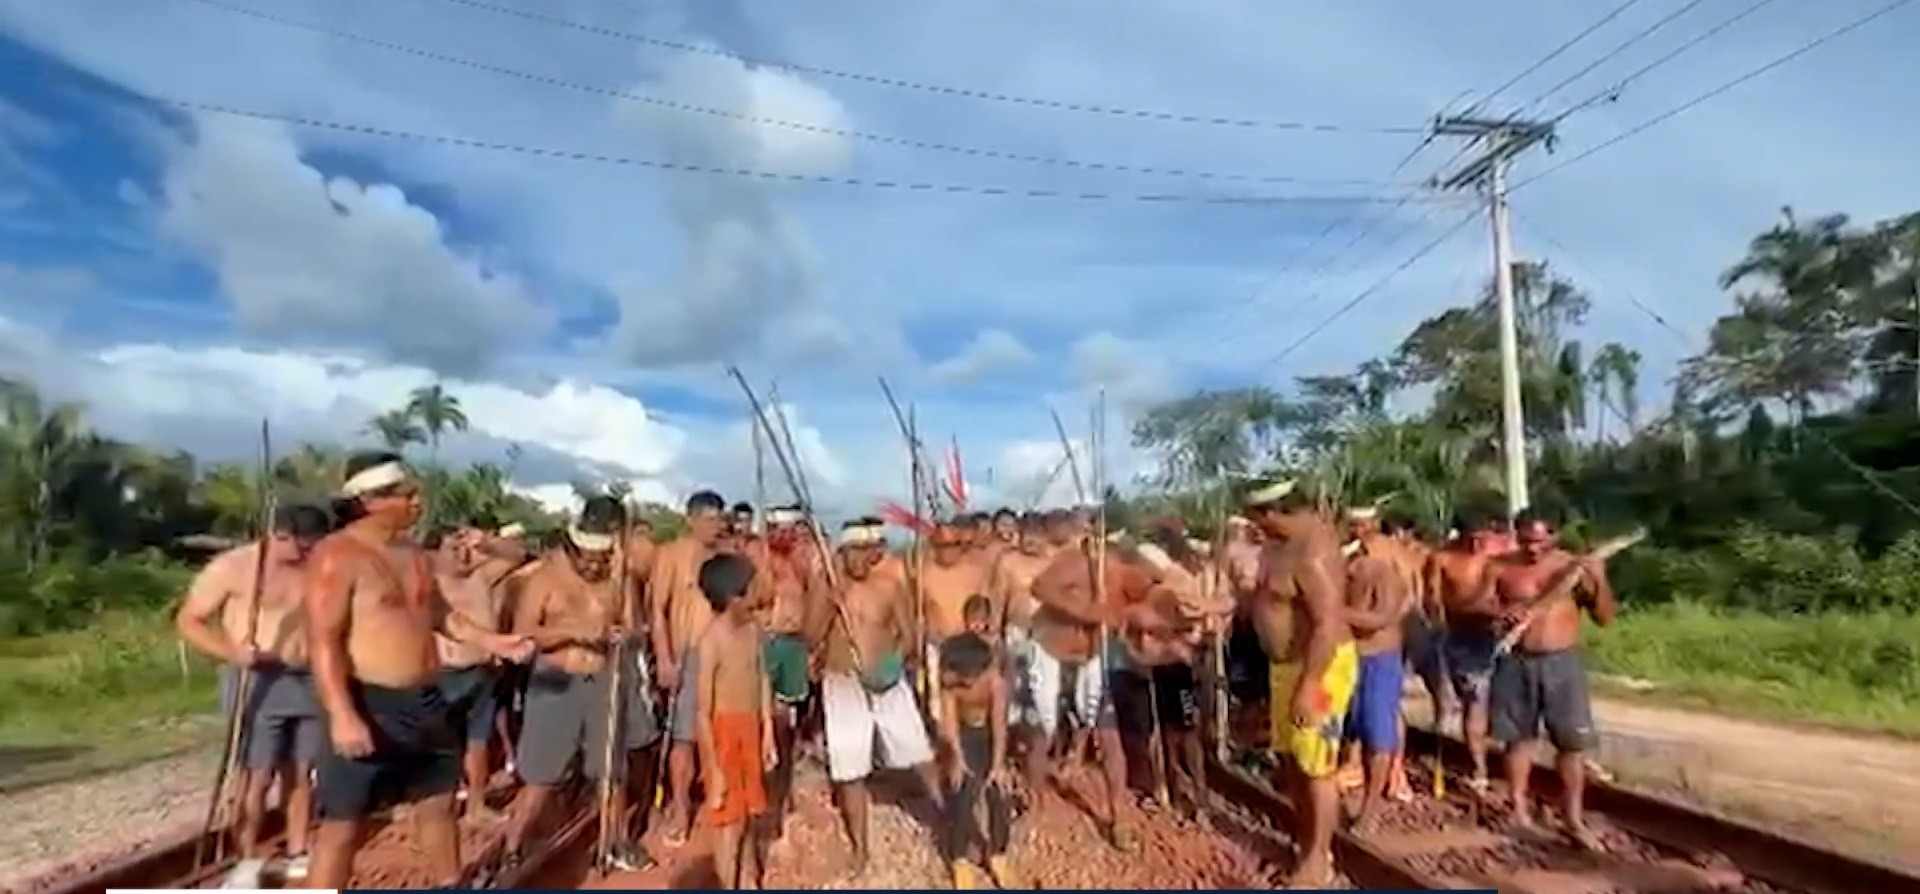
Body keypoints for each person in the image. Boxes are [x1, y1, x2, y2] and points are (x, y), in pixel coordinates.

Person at [303, 453, 532, 890]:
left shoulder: (412, 553)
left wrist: (493, 641)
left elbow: (440, 614)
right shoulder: (338, 556)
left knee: (437, 804)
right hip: (368, 701)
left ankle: (451, 884)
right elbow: (323, 642)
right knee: (344, 827)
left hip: (427, 698)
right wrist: (342, 714)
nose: (416, 500)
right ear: (370, 500)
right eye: (405, 493)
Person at [175, 503, 331, 885]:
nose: (308, 555)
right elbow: (188, 621)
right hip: (257, 680)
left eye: (314, 547)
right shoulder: (234, 568)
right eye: (303, 548)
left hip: (309, 678)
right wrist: (232, 652)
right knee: (256, 775)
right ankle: (245, 858)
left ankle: (298, 849)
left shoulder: (319, 565)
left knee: (300, 770)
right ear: (279, 535)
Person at [500, 497, 657, 871]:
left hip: (605, 679)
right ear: (572, 548)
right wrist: (572, 631)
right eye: (587, 558)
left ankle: (616, 840)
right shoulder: (545, 577)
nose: (594, 566)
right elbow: (523, 633)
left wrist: (624, 634)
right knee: (542, 776)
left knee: (610, 770)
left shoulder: (621, 577)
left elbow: (636, 628)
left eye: (601, 559)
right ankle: (512, 847)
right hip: (556, 683)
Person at [803, 520, 942, 880]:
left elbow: (910, 638)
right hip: (843, 683)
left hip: (888, 683)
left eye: (873, 551)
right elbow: (809, 636)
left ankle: (947, 818)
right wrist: (829, 605)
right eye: (860, 552)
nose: (868, 559)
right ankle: (861, 848)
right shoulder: (827, 587)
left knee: (920, 754)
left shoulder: (889, 587)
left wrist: (891, 667)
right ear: (843, 552)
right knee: (850, 771)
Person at [1242, 479, 1357, 889]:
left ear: (1270, 513)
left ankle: (1318, 861)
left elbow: (1327, 624)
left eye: (1253, 516)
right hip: (1283, 666)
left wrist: (1310, 685)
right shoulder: (1276, 546)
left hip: (1319, 668)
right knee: (1291, 762)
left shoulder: (1314, 551)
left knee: (1317, 766)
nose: (1251, 524)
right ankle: (1307, 840)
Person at [1485, 511, 1615, 850]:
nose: (1533, 549)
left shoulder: (1573, 568)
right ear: (1516, 536)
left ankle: (1572, 818)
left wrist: (1599, 580)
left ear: (1554, 537)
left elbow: (1604, 617)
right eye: (1526, 541)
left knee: (1572, 745)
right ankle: (1518, 812)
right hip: (1515, 660)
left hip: (1561, 662)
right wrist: (1499, 617)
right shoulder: (1499, 567)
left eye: (1540, 541)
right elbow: (1479, 610)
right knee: (1518, 740)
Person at [1026, 515, 1139, 850]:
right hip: (1050, 652)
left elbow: (1138, 604)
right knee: (1042, 731)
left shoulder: (1121, 571)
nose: (1102, 549)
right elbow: (1040, 588)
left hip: (1092, 658)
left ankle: (1118, 814)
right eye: (1096, 542)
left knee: (1108, 734)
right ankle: (1036, 806)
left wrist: (1118, 617)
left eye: (1108, 543)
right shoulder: (1070, 563)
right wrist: (1086, 611)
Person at [649, 490, 730, 843]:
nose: (716, 526)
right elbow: (657, 610)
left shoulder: (727, 557)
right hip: (688, 653)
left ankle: (719, 796)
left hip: (724, 656)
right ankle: (680, 807)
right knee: (683, 737)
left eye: (719, 518)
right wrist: (665, 657)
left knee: (723, 731)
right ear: (691, 519)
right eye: (709, 519)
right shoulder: (671, 555)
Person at [433, 525, 528, 822]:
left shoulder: (480, 576)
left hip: (482, 672)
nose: (463, 555)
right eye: (453, 549)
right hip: (443, 674)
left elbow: (518, 555)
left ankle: (476, 805)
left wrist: (486, 541)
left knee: (479, 742)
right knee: (439, 747)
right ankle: (436, 812)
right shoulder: (429, 582)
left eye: (465, 549)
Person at [694, 552, 775, 889]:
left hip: (751, 726)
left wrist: (768, 731)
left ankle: (750, 878)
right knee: (728, 820)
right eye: (753, 587)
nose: (760, 594)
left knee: (750, 813)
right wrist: (712, 766)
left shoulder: (753, 631)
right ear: (733, 597)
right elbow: (702, 711)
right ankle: (729, 883)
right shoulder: (711, 640)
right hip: (723, 732)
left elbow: (762, 680)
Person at [1338, 512, 1413, 835]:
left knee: (1377, 735)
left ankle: (1371, 810)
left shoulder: (1385, 570)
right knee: (1345, 731)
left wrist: (1330, 611)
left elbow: (1382, 618)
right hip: (1344, 658)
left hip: (1377, 659)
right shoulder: (1343, 569)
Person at [1426, 509, 1504, 789]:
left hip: (1503, 634)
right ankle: (1479, 769)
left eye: (1482, 538)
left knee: (1507, 704)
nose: (1476, 546)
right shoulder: (1442, 559)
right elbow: (1433, 601)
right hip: (1464, 636)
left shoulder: (1505, 551)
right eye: (1471, 539)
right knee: (1475, 703)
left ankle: (1504, 765)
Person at [937, 631, 1016, 890]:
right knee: (963, 791)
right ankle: (959, 858)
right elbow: (950, 727)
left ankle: (998, 853)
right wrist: (957, 760)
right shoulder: (951, 685)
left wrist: (998, 764)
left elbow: (1000, 726)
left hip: (989, 735)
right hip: (964, 735)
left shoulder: (995, 683)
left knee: (999, 792)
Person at [921, 522, 999, 723]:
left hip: (973, 643)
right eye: (943, 545)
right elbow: (916, 611)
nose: (949, 550)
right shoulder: (922, 574)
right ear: (933, 546)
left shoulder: (975, 570)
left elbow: (987, 603)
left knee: (978, 695)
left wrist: (988, 633)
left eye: (954, 545)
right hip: (939, 644)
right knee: (939, 701)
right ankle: (944, 738)